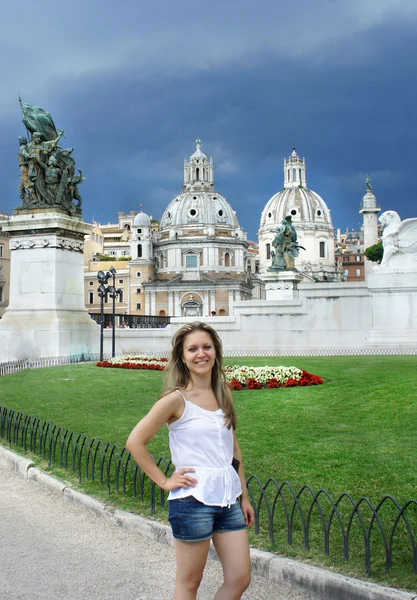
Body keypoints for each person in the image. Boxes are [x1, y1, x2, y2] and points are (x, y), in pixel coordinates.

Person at [126, 322, 255, 600]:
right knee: (189, 583)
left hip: (228, 499)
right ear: (182, 357)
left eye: (206, 347)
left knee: (240, 578)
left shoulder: (224, 394)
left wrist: (244, 497)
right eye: (193, 349)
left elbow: (233, 450)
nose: (201, 354)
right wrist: (164, 481)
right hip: (192, 500)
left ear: (216, 352)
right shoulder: (175, 400)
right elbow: (135, 442)